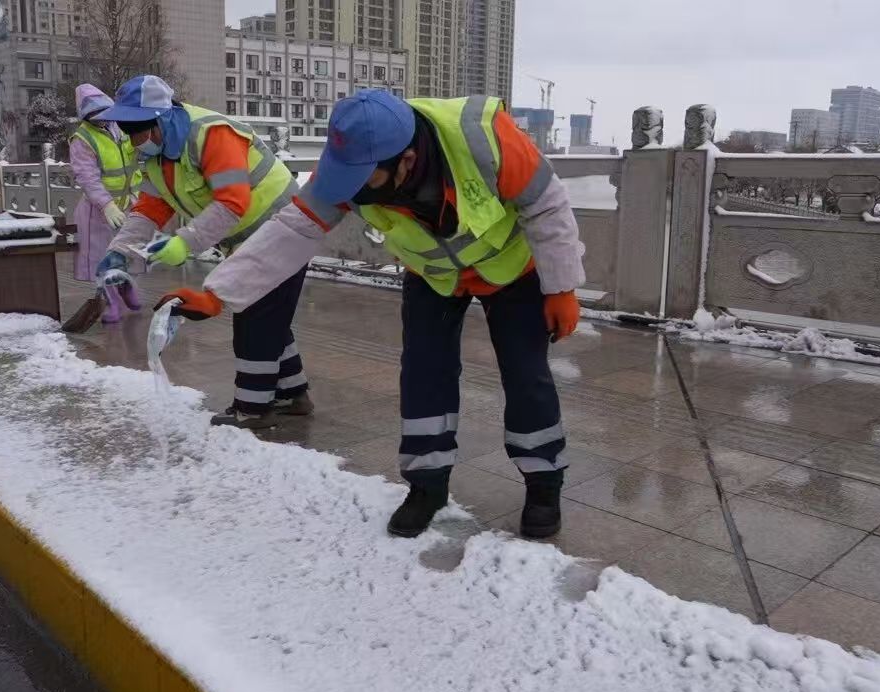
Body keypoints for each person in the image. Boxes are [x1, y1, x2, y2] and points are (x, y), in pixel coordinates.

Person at [157, 90, 585, 540]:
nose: (353, 192)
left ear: (406, 161)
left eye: (365, 180)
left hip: (512, 270)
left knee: (525, 373)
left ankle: (543, 484)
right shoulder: (349, 165)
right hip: (434, 274)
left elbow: (547, 205)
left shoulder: (484, 137)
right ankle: (427, 485)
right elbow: (295, 228)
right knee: (424, 374)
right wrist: (217, 293)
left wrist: (562, 287)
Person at [95, 75, 312, 429]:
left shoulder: (212, 135)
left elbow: (231, 202)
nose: (134, 141)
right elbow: (150, 207)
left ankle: (253, 407)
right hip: (249, 238)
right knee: (268, 315)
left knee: (254, 317)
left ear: (161, 120)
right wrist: (120, 250)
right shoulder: (158, 155)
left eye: (137, 130)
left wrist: (185, 242)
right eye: (126, 130)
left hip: (283, 229)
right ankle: (293, 394)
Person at [68, 83, 144, 323]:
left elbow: (137, 154)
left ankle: (125, 287)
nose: (100, 117)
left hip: (129, 203)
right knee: (102, 258)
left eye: (103, 111)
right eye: (94, 114)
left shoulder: (121, 127)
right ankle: (109, 299)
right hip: (98, 211)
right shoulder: (82, 138)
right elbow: (87, 176)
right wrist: (106, 204)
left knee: (127, 252)